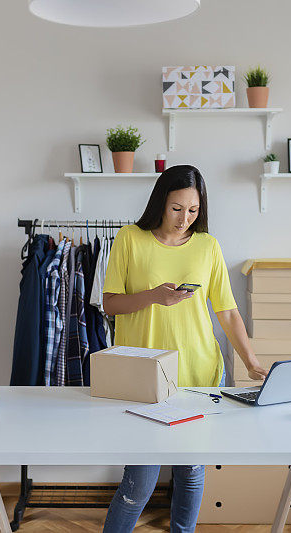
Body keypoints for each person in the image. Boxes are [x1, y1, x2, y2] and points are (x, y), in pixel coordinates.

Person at [101, 165, 267, 532]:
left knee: (191, 474)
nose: (184, 219)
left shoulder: (208, 246)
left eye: (192, 210)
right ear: (161, 201)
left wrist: (251, 362)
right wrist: (153, 297)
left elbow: (227, 311)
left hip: (199, 371)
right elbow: (110, 304)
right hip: (143, 377)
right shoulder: (129, 239)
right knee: (138, 482)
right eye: (177, 208)